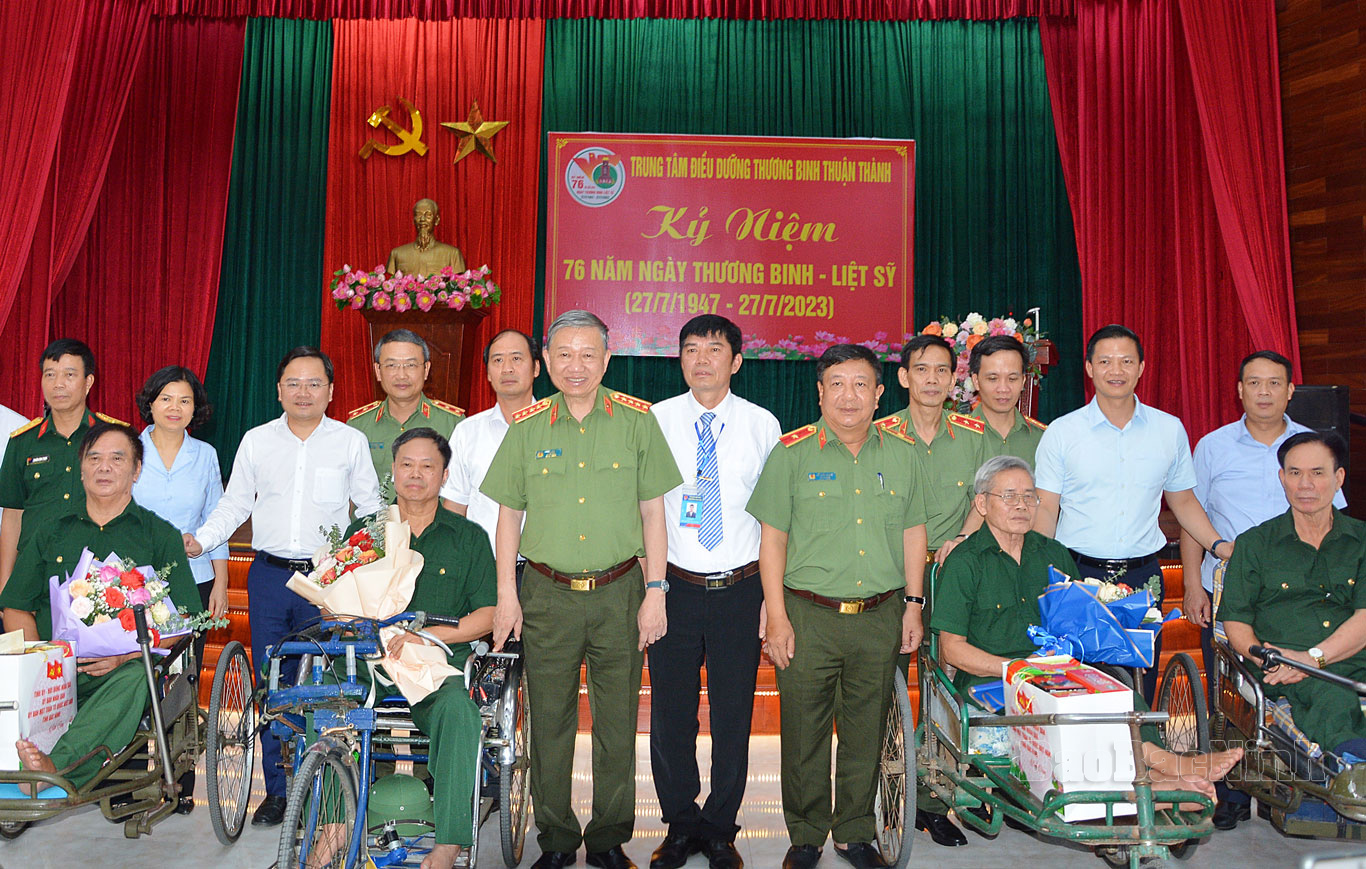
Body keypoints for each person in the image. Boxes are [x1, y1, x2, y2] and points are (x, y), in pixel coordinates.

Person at [480, 310, 682, 869]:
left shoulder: (637, 422)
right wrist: (507, 595)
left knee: (617, 723)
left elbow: (653, 514)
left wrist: (657, 590)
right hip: (546, 592)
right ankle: (557, 838)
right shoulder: (526, 426)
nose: (576, 366)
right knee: (549, 722)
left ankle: (608, 838)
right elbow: (507, 518)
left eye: (588, 354)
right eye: (564, 355)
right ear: (546, 362)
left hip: (621, 589)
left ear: (607, 360)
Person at [934, 456, 1242, 804]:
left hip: (1056, 671)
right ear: (982, 503)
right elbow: (952, 650)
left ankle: (1159, 775)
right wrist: (1013, 669)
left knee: (1117, 697)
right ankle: (1166, 775)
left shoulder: (1051, 553)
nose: (1021, 505)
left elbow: (1079, 622)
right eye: (1008, 496)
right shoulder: (964, 562)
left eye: (1029, 496)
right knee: (1067, 716)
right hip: (994, 682)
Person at [747, 343, 928, 869]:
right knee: (803, 730)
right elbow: (772, 539)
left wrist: (913, 605)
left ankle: (854, 832)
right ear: (820, 392)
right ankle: (805, 836)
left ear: (878, 394)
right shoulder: (792, 452)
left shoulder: (902, 453)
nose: (849, 396)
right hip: (808, 615)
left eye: (860, 385)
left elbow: (914, 531)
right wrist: (776, 614)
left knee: (865, 728)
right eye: (837, 384)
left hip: (879, 615)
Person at [184, 346, 382, 827]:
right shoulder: (257, 440)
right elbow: (234, 505)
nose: (303, 392)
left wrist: (358, 568)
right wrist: (203, 540)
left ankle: (321, 783)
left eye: (314, 383)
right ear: (279, 390)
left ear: (331, 392)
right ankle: (276, 791)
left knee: (320, 683)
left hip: (326, 581)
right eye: (293, 383)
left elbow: (372, 512)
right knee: (270, 681)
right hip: (270, 576)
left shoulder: (350, 442)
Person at [1178, 350, 1346, 830]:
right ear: (1239, 390)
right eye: (1254, 383)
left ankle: (1296, 782)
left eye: (1275, 383)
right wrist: (1193, 583)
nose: (1265, 392)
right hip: (1233, 586)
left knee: (1293, 681)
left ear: (1291, 390)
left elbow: (1333, 517)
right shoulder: (1212, 446)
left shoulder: (1312, 448)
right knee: (1232, 694)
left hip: (1300, 592)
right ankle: (1231, 793)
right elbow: (1194, 518)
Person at [1033, 324, 1232, 702]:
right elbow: (1046, 507)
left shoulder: (1168, 429)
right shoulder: (1063, 432)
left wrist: (1220, 546)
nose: (1116, 370)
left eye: (1126, 361)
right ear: (1089, 368)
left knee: (1140, 680)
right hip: (1078, 575)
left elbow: (1184, 502)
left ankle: (1139, 757)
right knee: (1079, 683)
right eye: (1105, 361)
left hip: (1143, 577)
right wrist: (1042, 575)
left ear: (1141, 367)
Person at [0, 422, 202, 792]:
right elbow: (13, 605)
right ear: (81, 468)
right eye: (94, 458)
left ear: (137, 470)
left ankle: (53, 771)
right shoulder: (51, 530)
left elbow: (183, 619)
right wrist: (45, 662)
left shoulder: (159, 535)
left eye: (117, 458)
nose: (103, 467)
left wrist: (126, 657)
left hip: (123, 673)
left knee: (138, 675)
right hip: (56, 672)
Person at [647, 315, 781, 869]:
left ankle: (722, 826)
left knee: (733, 715)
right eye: (691, 349)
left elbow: (777, 521)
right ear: (679, 359)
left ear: (736, 361)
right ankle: (680, 825)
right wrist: (650, 589)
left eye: (714, 349)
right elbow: (646, 510)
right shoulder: (654, 421)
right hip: (674, 586)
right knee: (671, 715)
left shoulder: (762, 425)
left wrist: (774, 603)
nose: (702, 359)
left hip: (741, 589)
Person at [346, 428, 496, 869]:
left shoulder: (468, 537)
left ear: (444, 475)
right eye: (406, 464)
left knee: (459, 712)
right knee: (328, 700)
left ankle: (448, 843)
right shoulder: (366, 534)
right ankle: (336, 826)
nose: (416, 474)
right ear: (392, 472)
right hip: (371, 661)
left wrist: (429, 637)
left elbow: (486, 615)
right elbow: (338, 599)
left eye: (428, 466)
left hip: (434, 664)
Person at [879, 333, 985, 847]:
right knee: (882, 690)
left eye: (942, 371)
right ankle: (884, 792)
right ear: (903, 377)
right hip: (889, 579)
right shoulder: (876, 434)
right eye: (921, 370)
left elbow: (985, 495)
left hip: (951, 577)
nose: (932, 380)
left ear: (954, 379)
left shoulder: (972, 434)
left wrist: (963, 536)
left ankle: (936, 799)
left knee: (945, 693)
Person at [1221, 432, 1366, 765]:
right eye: (1295, 473)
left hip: (1351, 659)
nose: (1306, 484)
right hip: (1282, 668)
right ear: (1282, 478)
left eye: (1317, 473)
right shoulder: (1255, 544)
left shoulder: (1361, 541)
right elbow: (1236, 623)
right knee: (1333, 698)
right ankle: (1351, 776)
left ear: (1338, 478)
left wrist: (1312, 658)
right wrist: (1272, 659)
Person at [0, 339, 123, 594]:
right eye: (50, 374)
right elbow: (12, 515)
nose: (58, 384)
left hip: (97, 578)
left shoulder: (116, 438)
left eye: (69, 375)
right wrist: (5, 584)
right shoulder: (22, 442)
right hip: (34, 576)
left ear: (88, 382)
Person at [440, 328, 540, 551]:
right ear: (487, 374)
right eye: (497, 360)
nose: (507, 368)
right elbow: (455, 506)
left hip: (543, 573)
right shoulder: (467, 432)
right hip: (484, 566)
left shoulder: (555, 427)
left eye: (516, 358)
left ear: (536, 368)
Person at [348, 329, 465, 501]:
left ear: (426, 369)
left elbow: (460, 491)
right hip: (373, 526)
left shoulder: (452, 423)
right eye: (392, 365)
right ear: (378, 371)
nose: (401, 375)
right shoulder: (358, 425)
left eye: (410, 365)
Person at [967, 334, 1047, 463]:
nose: (1003, 389)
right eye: (993, 379)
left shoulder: (1043, 439)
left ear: (1023, 381)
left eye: (1012, 379)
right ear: (976, 381)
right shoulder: (955, 437)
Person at [386, 198, 466, 278]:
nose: (422, 219)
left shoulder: (452, 254)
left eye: (428, 215)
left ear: (436, 220)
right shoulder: (397, 254)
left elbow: (457, 283)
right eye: (418, 215)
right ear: (413, 220)